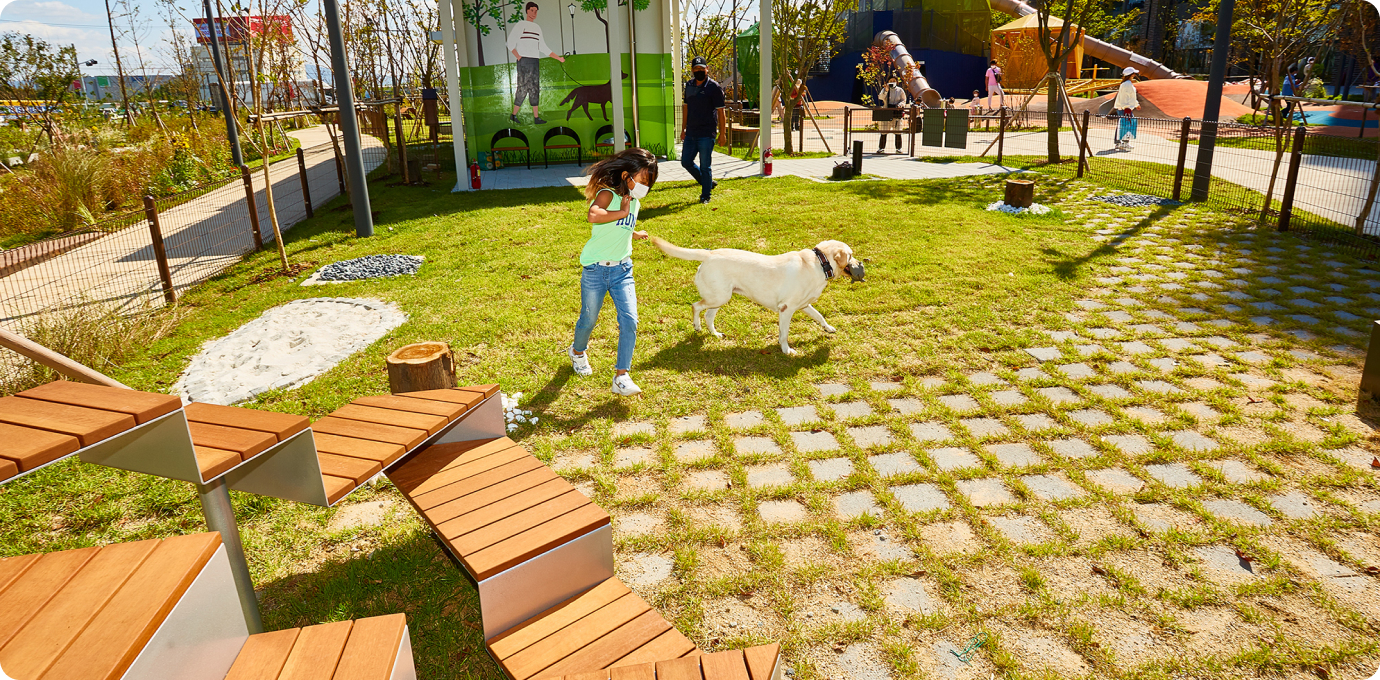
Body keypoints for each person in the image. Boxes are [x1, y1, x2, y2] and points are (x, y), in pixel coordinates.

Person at [568, 148, 659, 396]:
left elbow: (621, 225)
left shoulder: (635, 201)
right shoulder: (607, 194)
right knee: (588, 320)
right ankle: (577, 352)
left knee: (630, 321)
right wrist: (623, 213)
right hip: (596, 270)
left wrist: (633, 231)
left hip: (623, 270)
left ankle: (622, 376)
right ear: (626, 175)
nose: (644, 187)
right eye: (642, 181)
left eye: (648, 183)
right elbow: (594, 215)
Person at [508, 2, 565, 125]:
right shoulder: (521, 25)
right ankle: (513, 115)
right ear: (527, 11)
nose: (534, 13)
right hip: (524, 61)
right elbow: (510, 42)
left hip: (535, 61)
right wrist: (518, 56)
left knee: (534, 88)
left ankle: (536, 117)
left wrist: (558, 58)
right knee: (523, 87)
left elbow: (543, 47)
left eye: (536, 11)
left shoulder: (537, 28)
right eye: (532, 10)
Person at [681, 56, 725, 204]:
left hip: (707, 133)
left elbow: (721, 112)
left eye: (701, 68)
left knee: (705, 165)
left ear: (707, 69)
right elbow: (685, 108)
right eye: (696, 69)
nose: (699, 71)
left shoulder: (714, 87)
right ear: (692, 70)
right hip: (691, 132)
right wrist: (683, 129)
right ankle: (708, 182)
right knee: (686, 161)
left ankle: (706, 195)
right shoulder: (689, 85)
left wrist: (722, 134)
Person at [878, 77, 907, 153]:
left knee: (898, 130)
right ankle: (881, 148)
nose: (892, 82)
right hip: (886, 111)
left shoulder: (900, 90)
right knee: (884, 130)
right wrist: (886, 91)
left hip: (896, 112)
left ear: (897, 82)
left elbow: (903, 100)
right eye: (891, 81)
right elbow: (880, 97)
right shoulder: (885, 90)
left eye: (894, 81)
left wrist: (900, 105)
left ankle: (898, 148)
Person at [1114, 66, 1140, 150]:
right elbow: (1125, 97)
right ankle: (1124, 143)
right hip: (1125, 108)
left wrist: (1136, 104)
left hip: (1124, 107)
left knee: (1121, 124)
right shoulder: (1127, 84)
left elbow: (1131, 97)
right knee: (1126, 125)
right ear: (1131, 74)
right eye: (1133, 73)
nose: (1135, 74)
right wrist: (1126, 107)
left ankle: (1119, 143)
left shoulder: (1126, 84)